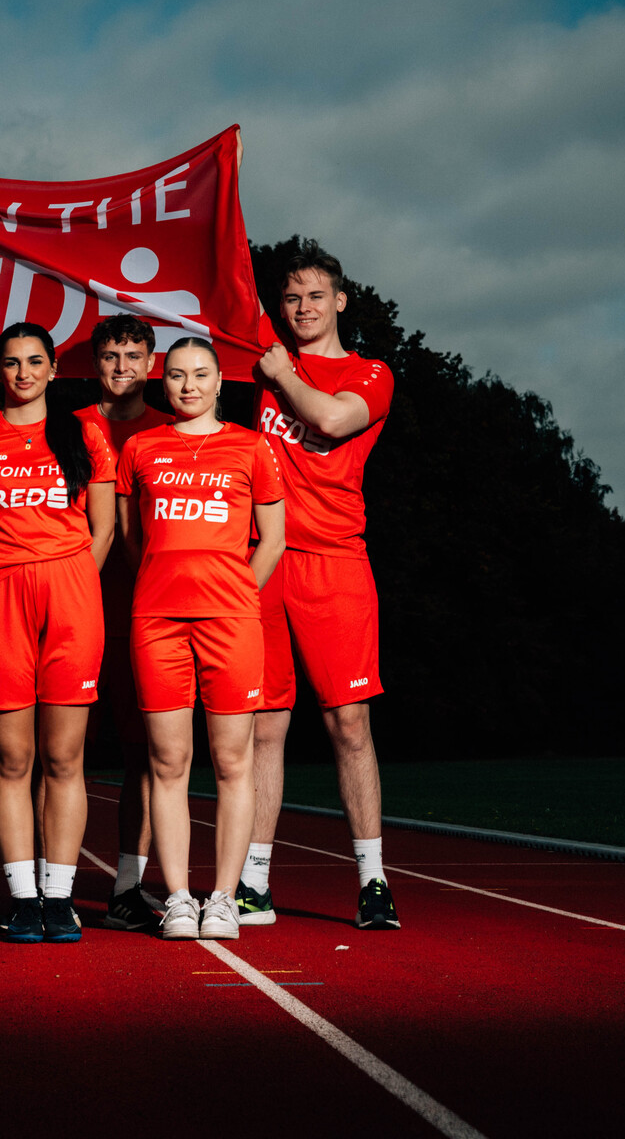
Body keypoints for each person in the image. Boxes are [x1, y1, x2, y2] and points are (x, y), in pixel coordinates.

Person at [0, 322, 116, 944]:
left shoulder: (84, 433)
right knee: (12, 758)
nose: (23, 373)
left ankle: (60, 897)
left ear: (51, 370)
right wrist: (10, 568)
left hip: (70, 592)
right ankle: (23, 898)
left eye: (34, 362)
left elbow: (103, 529)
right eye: (12, 362)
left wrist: (66, 577)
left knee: (65, 757)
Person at [246, 248, 401, 930]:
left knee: (348, 724)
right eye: (290, 299)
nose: (302, 308)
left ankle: (372, 881)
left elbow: (334, 421)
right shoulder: (259, 360)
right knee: (261, 728)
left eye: (315, 296)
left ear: (340, 300)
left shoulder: (370, 373)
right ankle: (253, 881)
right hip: (263, 560)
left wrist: (281, 374)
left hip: (335, 564)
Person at [117, 337, 285, 940]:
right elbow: (135, 539)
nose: (188, 386)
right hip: (157, 621)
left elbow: (272, 539)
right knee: (168, 762)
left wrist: (239, 590)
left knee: (232, 761)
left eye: (201, 375)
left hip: (232, 622)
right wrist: (166, 583)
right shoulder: (139, 448)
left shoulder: (252, 447)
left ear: (220, 382)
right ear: (165, 383)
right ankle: (181, 898)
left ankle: (222, 898)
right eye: (178, 376)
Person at [73, 316, 172, 931]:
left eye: (133, 355)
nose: (121, 367)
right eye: (110, 356)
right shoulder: (69, 426)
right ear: (95, 363)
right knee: (58, 752)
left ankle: (129, 887)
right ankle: (39, 886)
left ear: (150, 362)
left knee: (144, 751)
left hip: (146, 612)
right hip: (70, 607)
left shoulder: (172, 429)